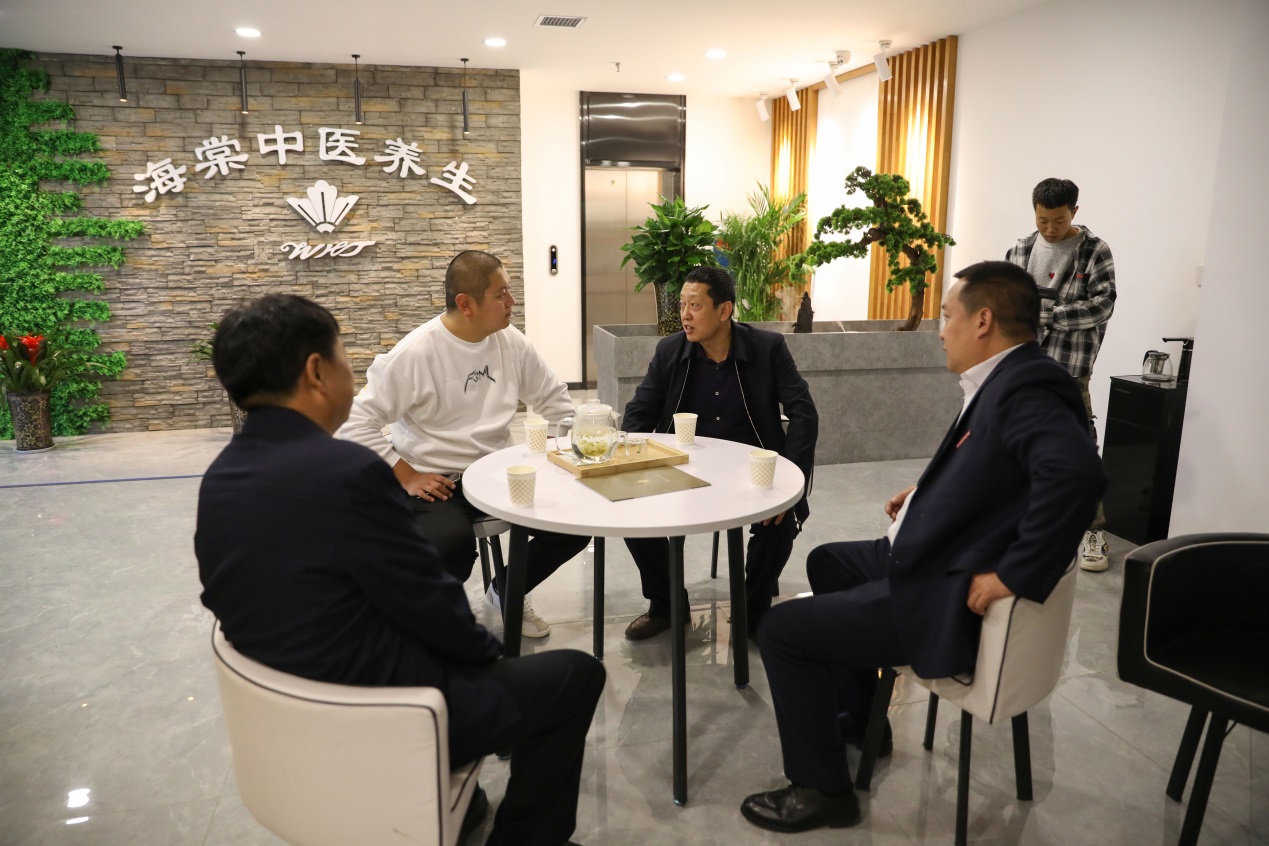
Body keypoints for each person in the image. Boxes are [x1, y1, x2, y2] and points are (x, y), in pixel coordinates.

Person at [195, 294, 604, 846]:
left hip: (281, 711)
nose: (353, 375)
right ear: (316, 372)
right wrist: (487, 659)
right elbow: (430, 604)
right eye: (345, 357)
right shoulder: (347, 472)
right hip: (383, 708)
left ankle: (462, 806)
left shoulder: (220, 479)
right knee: (575, 677)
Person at [739, 261, 1106, 833]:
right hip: (925, 554)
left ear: (983, 321)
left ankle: (823, 790)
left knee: (783, 632)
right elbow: (998, 471)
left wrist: (1014, 573)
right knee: (828, 562)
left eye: (947, 315)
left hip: (936, 588)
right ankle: (862, 719)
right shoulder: (1006, 379)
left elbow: (1078, 475)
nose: (940, 330)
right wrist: (926, 493)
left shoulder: (1028, 389)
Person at [337, 250, 589, 637]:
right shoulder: (416, 353)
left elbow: (557, 403)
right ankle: (434, 628)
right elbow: (353, 421)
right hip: (439, 481)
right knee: (448, 544)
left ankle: (507, 590)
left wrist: (554, 454)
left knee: (576, 523)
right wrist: (407, 475)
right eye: (501, 294)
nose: (512, 301)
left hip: (498, 473)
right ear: (466, 304)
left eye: (510, 291)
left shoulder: (511, 342)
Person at [619, 266, 817, 640]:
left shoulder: (767, 349)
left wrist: (792, 478)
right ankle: (667, 605)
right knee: (632, 509)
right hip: (685, 468)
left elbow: (804, 412)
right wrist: (626, 460)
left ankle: (753, 611)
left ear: (724, 310)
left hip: (754, 471)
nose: (685, 315)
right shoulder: (670, 350)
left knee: (778, 524)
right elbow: (640, 411)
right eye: (682, 305)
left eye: (695, 305)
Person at [1006, 177, 1116, 571]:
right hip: (1022, 365)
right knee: (1014, 442)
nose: (1050, 229)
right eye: (1042, 220)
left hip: (1070, 368)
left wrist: (1047, 314)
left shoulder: (1094, 251)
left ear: (1074, 212)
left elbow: (1102, 305)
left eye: (1058, 220)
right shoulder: (1020, 250)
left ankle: (1092, 532)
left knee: (1079, 446)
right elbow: (1006, 303)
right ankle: (1017, 524)